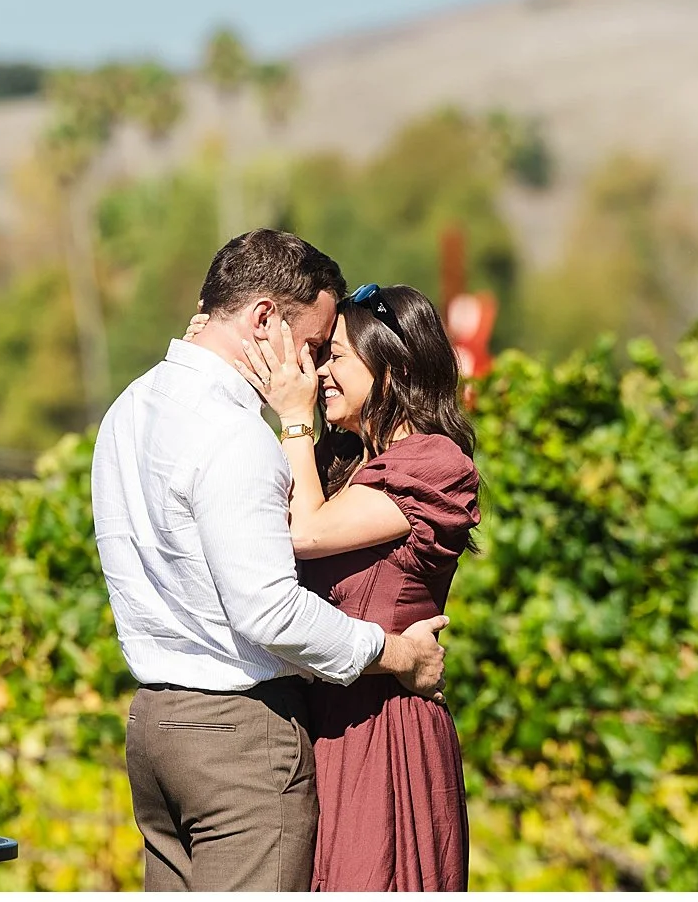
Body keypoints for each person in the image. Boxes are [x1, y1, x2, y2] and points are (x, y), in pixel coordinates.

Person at [93, 230, 452, 892]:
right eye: (314, 345)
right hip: (237, 738)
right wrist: (397, 654)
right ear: (263, 319)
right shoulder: (235, 439)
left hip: (153, 723)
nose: (311, 371)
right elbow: (270, 611)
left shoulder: (129, 410)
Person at [185, 281, 480, 891]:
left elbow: (305, 533)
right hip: (310, 727)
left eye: (334, 354)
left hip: (383, 730)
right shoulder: (336, 468)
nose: (317, 372)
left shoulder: (436, 464)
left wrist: (293, 420)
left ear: (391, 369)